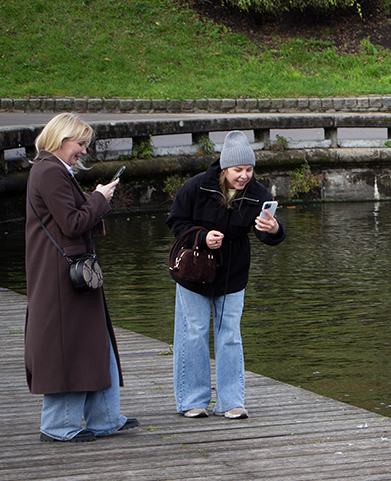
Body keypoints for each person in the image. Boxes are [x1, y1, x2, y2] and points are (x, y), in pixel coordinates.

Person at [24, 113, 139, 442]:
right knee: (68, 346)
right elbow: (72, 223)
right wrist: (99, 199)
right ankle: (60, 426)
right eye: (81, 144)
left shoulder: (53, 170)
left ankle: (105, 418)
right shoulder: (49, 171)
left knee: (94, 341)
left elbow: (70, 221)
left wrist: (97, 201)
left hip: (71, 273)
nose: (83, 151)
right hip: (61, 277)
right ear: (61, 140)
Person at [166, 130, 285, 419]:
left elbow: (270, 237)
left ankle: (231, 401)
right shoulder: (196, 187)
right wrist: (202, 237)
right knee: (193, 333)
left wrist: (273, 230)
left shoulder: (259, 194)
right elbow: (175, 221)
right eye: (237, 170)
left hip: (233, 271)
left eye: (249, 169)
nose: (244, 176)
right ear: (224, 168)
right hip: (194, 269)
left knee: (229, 335)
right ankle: (192, 400)